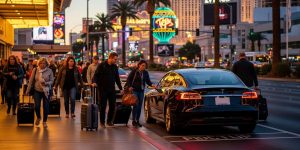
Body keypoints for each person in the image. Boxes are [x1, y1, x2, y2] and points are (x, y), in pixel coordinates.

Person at [92, 52, 123, 127]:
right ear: (110, 58)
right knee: (103, 106)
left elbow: (117, 78)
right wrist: (94, 82)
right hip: (102, 89)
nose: (116, 60)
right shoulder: (102, 65)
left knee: (112, 105)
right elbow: (96, 75)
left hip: (111, 89)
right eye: (115, 59)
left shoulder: (114, 67)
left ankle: (109, 121)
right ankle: (102, 122)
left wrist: (121, 88)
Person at [125, 60, 156, 127]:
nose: (144, 67)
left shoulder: (145, 73)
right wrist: (130, 86)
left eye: (145, 66)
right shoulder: (134, 71)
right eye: (142, 65)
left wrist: (152, 85)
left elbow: (148, 81)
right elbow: (129, 79)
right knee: (136, 105)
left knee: (139, 106)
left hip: (141, 91)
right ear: (139, 65)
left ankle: (137, 120)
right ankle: (133, 120)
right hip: (135, 90)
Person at [26, 58, 54, 128]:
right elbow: (31, 81)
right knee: (37, 106)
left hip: (46, 91)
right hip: (37, 90)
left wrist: (46, 83)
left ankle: (44, 121)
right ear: (39, 64)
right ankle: (38, 117)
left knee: (46, 106)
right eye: (41, 63)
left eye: (44, 63)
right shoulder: (35, 70)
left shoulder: (49, 71)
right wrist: (27, 90)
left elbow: (52, 81)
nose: (42, 64)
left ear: (46, 64)